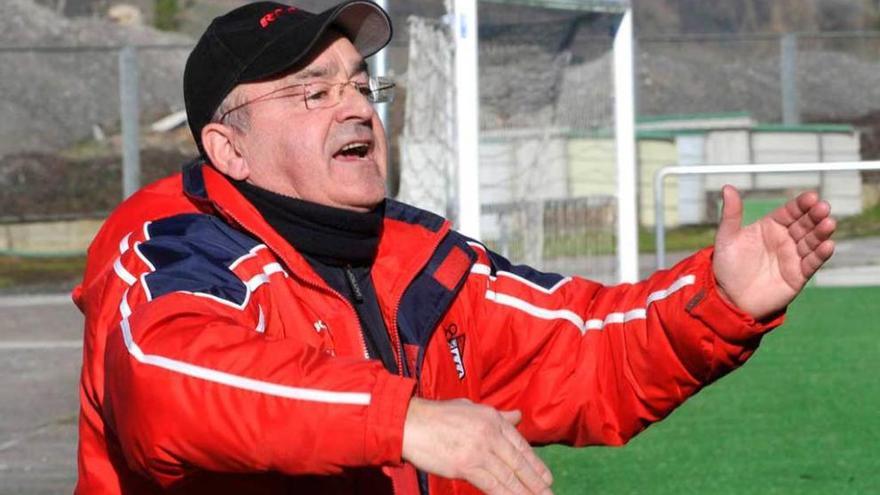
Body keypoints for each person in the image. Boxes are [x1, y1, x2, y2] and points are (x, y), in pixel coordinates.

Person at [72, 1, 837, 494]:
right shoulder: (169, 242)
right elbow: (167, 380)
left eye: (360, 84)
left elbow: (583, 348)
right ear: (227, 147)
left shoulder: (425, 256)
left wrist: (720, 299)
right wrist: (405, 419)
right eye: (314, 91)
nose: (357, 109)